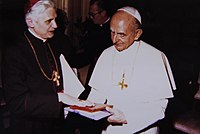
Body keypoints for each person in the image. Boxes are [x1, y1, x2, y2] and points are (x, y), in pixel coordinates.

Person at [2, 0, 93, 134]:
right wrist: (59, 98)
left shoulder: (56, 43)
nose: (55, 25)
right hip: (30, 126)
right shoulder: (15, 52)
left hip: (57, 123)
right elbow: (18, 102)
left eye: (55, 19)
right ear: (31, 22)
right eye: (48, 21)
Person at [87, 6, 176, 134]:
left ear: (137, 33)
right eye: (112, 32)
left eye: (121, 34)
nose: (114, 39)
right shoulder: (106, 54)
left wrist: (127, 117)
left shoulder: (155, 57)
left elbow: (159, 107)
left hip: (142, 129)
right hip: (109, 128)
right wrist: (88, 107)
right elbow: (97, 93)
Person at [79, 0, 113, 100]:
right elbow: (88, 53)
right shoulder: (91, 27)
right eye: (90, 14)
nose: (91, 17)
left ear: (103, 13)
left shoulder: (113, 28)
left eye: (93, 14)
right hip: (94, 67)